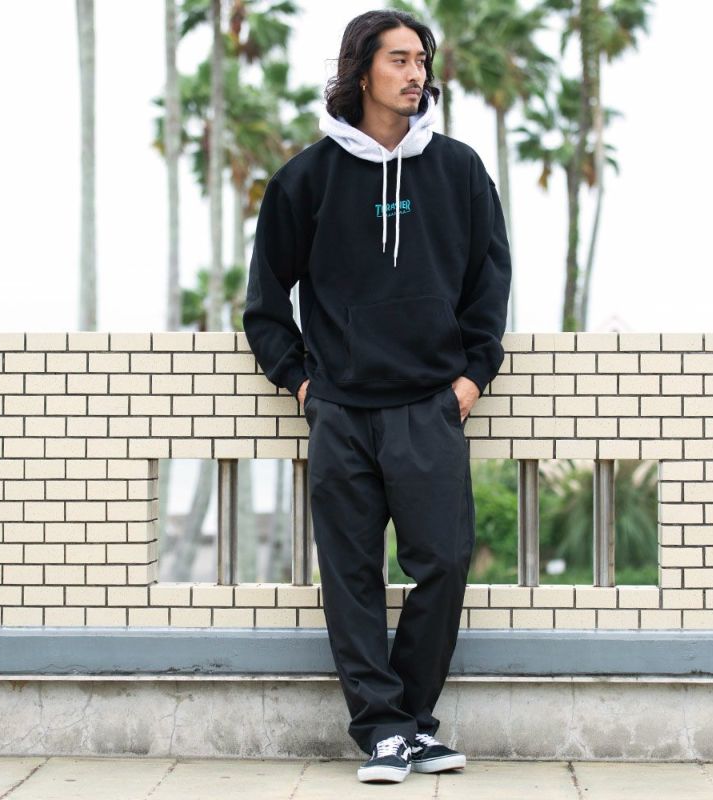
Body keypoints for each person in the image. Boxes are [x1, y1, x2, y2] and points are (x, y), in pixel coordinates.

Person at [243, 8, 511, 784]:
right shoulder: (306, 178)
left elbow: (489, 283)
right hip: (341, 409)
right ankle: (384, 731)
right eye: (399, 59)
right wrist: (301, 384)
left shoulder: (459, 170)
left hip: (430, 404)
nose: (415, 73)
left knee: (445, 563)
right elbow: (265, 301)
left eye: (422, 60)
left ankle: (411, 721)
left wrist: (472, 376)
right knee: (351, 577)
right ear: (361, 71)